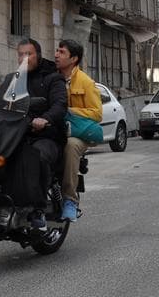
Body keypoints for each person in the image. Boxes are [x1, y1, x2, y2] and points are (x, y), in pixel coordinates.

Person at [0, 38, 67, 229]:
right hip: (15, 135)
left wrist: (45, 119)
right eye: (20, 54)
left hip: (45, 136)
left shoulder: (52, 78)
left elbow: (60, 104)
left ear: (37, 56)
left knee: (35, 157)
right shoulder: (12, 79)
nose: (24, 58)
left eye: (28, 54)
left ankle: (37, 210)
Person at [54, 38, 101, 223]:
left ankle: (70, 200)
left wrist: (70, 112)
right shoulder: (51, 76)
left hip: (79, 133)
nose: (56, 55)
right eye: (57, 51)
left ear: (73, 59)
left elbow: (97, 114)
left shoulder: (86, 82)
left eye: (62, 52)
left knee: (71, 146)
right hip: (56, 128)